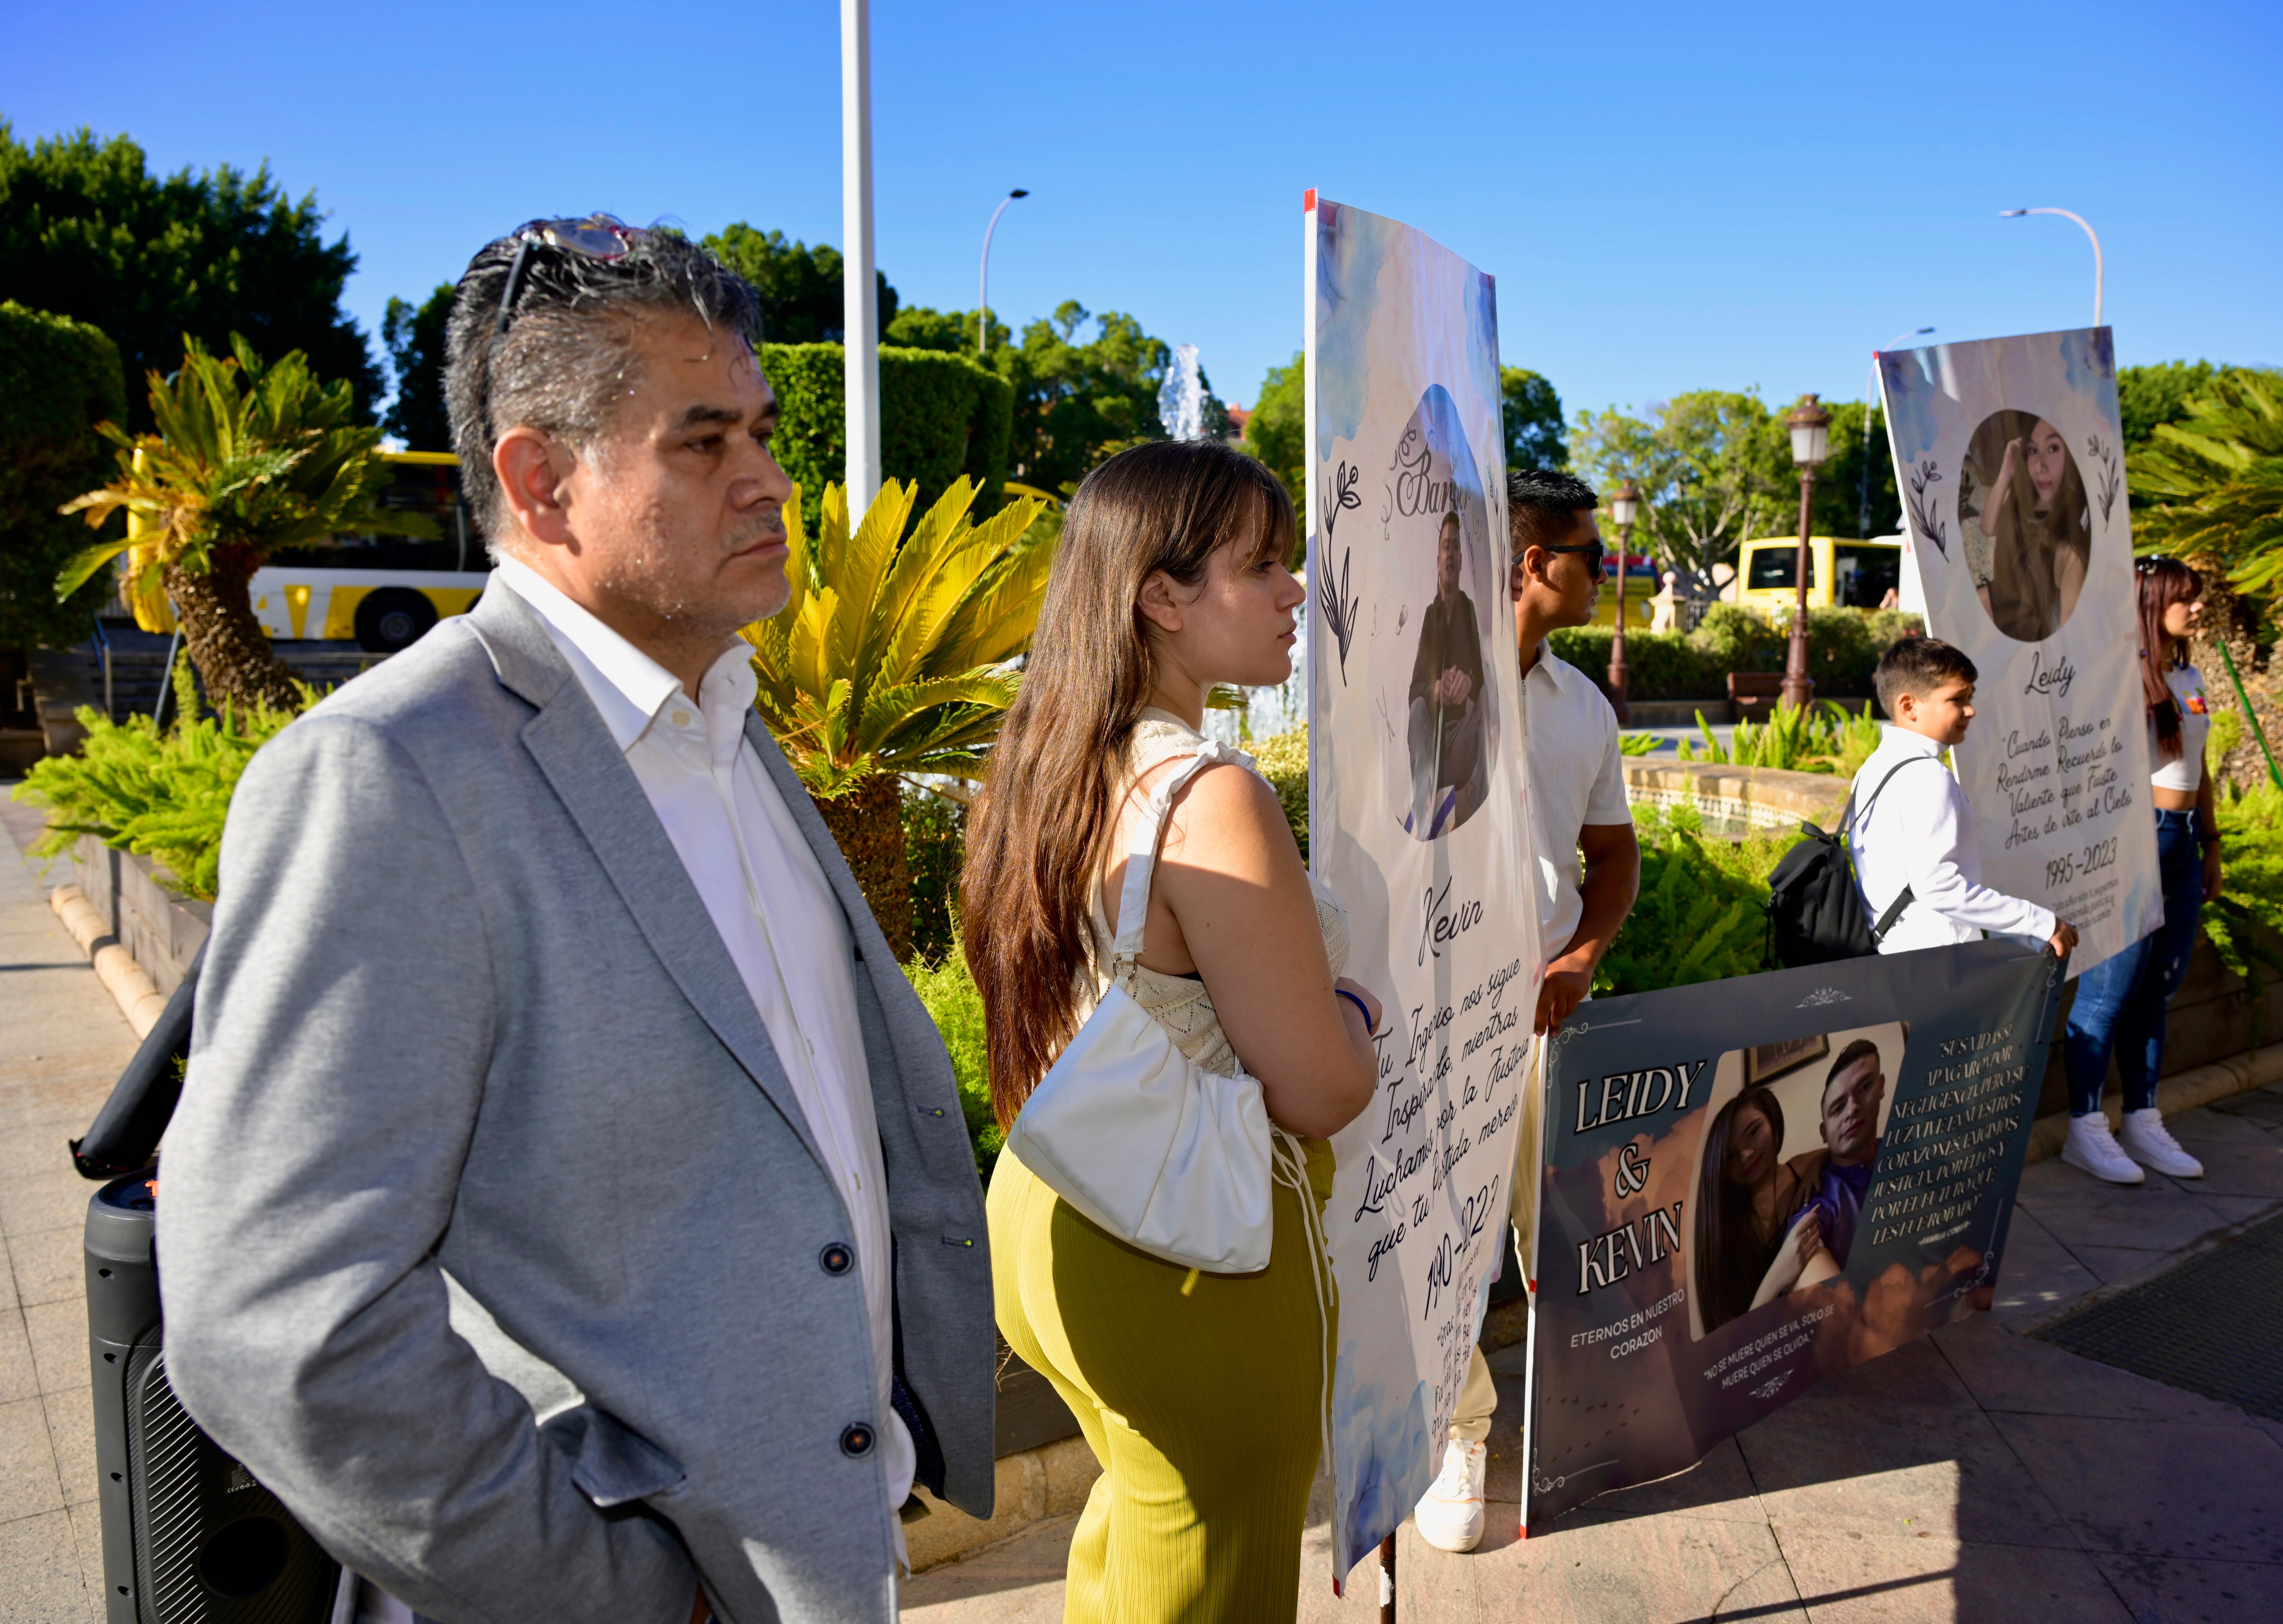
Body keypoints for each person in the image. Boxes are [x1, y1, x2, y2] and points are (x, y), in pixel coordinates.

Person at [154, 218, 996, 1624]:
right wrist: (619, 1595)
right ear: (541, 482)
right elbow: (276, 1314)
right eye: (704, 443)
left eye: (767, 435)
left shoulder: (726, 722)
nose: (772, 482)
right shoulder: (395, 771)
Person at [962, 439, 1380, 1622]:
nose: (1295, 591)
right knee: (1215, 1562)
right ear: (1160, 594)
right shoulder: (1208, 795)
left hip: (1050, 1207)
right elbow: (1315, 1091)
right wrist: (1352, 1011)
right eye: (1262, 566)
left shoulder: (1033, 770)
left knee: (1140, 1531)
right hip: (1193, 1240)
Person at [1415, 468, 1640, 1555]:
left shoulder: (1584, 705)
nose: (1611, 570)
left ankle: (1579, 1425)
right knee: (1443, 1244)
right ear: (1534, 564)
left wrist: (1587, 953)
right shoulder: (1411, 682)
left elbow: (1613, 854)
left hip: (1550, 1015)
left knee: (1563, 1229)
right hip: (1429, 1020)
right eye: (1594, 555)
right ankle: (1462, 1436)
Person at [2057, 556, 2219, 1184]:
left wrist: (2212, 843)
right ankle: (2085, 1126)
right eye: (2187, 598)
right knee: (2107, 991)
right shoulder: (2116, 675)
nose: (2199, 607)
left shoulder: (2190, 672)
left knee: (2159, 990)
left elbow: (2201, 767)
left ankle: (2144, 1119)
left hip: (2180, 841)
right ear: (2152, 602)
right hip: (2134, 838)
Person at [1850, 634, 2080, 963]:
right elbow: (1939, 886)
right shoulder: (1928, 776)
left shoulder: (1873, 768)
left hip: (1893, 953)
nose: (1970, 710)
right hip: (1937, 965)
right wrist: (2042, 922)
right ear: (1909, 706)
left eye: (1970, 697)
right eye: (1958, 699)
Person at [1692, 1085, 1827, 1331]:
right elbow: (1734, 1344)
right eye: (1731, 1157)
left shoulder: (1803, 1167)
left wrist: (1820, 1163)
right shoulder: (1728, 1231)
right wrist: (1777, 1277)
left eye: (1753, 1133)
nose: (1747, 1155)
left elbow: (1846, 1152)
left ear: (1773, 1122)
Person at [1965, 415, 2091, 642]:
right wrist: (2007, 472)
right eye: (2033, 451)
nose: (2040, 466)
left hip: (2033, 623)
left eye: (2053, 449)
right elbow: (1988, 527)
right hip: (2004, 603)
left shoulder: (2071, 547)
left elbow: (2069, 619)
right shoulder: (2020, 499)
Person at [1407, 510, 1490, 836]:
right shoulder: (1430, 615)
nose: (1452, 554)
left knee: (1488, 698)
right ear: (1438, 557)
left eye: (1456, 546)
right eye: (1446, 546)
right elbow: (1416, 687)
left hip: (1464, 743)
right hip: (1433, 751)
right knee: (1416, 708)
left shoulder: (1471, 610)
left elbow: (1487, 677)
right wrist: (1437, 689)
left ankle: (1475, 819)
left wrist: (1470, 684)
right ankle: (1423, 812)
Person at [1780, 1041, 1890, 1273]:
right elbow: (1799, 1254)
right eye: (1838, 1109)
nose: (1853, 1110)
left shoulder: (1905, 1145)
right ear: (1824, 1132)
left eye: (1864, 1088)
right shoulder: (1821, 1201)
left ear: (1881, 1086)